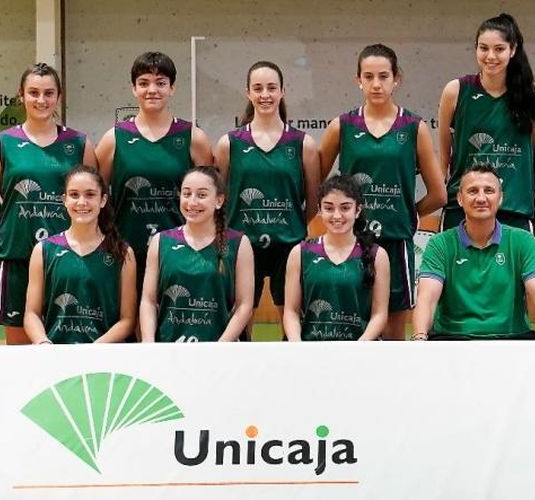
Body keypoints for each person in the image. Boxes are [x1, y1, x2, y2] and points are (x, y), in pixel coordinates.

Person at [319, 43, 446, 340]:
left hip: (396, 242)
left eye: (383, 76)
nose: (376, 84)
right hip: (350, 241)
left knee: (393, 336)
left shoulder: (414, 127)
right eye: (368, 76)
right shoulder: (342, 126)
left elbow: (439, 194)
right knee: (350, 325)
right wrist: (336, 212)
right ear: (358, 80)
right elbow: (315, 185)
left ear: (396, 78)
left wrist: (408, 212)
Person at [0, 62, 96, 345]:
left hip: (68, 260)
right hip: (17, 260)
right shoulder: (1, 144)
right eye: (33, 92)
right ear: (21, 95)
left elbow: (93, 201)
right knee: (19, 350)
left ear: (59, 96)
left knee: (67, 342)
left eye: (48, 93)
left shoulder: (80, 144)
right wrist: (6, 241)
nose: (41, 100)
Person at [217, 61, 320, 330]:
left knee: (293, 325)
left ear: (283, 91)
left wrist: (292, 228)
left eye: (272, 88)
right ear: (248, 92)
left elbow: (312, 204)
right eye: (258, 88)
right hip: (242, 245)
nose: (265, 95)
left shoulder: (303, 144)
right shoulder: (229, 144)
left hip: (289, 245)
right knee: (239, 327)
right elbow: (218, 199)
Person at [96, 52, 214, 283]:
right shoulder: (114, 139)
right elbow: (96, 197)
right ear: (133, 88)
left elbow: (209, 199)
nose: (152, 90)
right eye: (144, 83)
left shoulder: (194, 138)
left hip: (179, 252)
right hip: (125, 251)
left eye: (160, 83)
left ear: (172, 88)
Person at [413, 165, 535, 340]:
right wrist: (419, 338)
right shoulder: (439, 243)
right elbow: (427, 299)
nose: (481, 198)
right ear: (460, 199)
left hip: (511, 338)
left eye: (489, 191)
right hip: (453, 338)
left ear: (500, 198)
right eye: (472, 191)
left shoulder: (523, 240)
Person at [437, 13, 535, 230]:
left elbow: (534, 153)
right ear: (476, 49)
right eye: (483, 48)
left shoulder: (532, 94)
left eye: (499, 49)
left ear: (512, 50)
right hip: (462, 209)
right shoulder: (456, 91)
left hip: (514, 209)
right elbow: (443, 158)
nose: (490, 56)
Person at [138, 167, 255, 342]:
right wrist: (149, 344)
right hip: (168, 348)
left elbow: (244, 305)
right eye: (186, 194)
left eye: (201, 195)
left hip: (218, 349)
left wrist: (220, 346)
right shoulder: (161, 241)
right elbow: (148, 301)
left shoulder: (238, 243)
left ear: (219, 200)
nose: (192, 202)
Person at [23, 166, 137, 344]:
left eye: (90, 194)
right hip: (56, 352)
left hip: (102, 354)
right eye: (74, 195)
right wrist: (43, 342)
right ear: (64, 200)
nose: (82, 202)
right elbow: (31, 314)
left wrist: (93, 349)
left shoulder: (122, 252)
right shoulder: (44, 250)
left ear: (103, 200)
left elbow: (128, 320)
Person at [281, 176, 390, 341]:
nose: (337, 215)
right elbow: (291, 312)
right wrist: (297, 345)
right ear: (319, 210)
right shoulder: (300, 253)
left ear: (357, 210)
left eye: (345, 208)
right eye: (329, 208)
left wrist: (360, 346)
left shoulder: (378, 256)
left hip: (359, 350)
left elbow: (380, 314)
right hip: (311, 349)